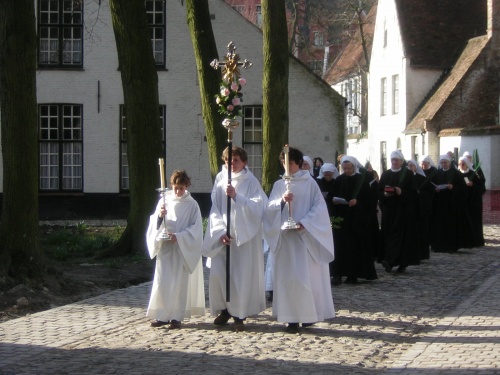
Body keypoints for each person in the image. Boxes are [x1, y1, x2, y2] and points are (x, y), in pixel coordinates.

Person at [264, 146, 335, 333]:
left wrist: (305, 223)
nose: (286, 167)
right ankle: (291, 318)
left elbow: (319, 208)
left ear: (298, 163)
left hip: (304, 238)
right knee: (288, 279)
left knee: (304, 278)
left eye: (290, 163)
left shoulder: (309, 183)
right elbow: (269, 207)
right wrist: (281, 201)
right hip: (286, 239)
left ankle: (308, 315)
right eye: (283, 163)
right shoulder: (279, 185)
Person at [202, 146, 267, 331]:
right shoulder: (220, 179)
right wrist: (220, 232)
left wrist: (237, 197)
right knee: (219, 274)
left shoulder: (251, 182)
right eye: (228, 160)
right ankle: (224, 309)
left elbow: (259, 206)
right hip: (223, 236)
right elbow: (215, 208)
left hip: (242, 239)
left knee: (239, 276)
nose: (231, 164)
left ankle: (239, 314)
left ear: (244, 162)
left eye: (236, 160)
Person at [146, 170, 205, 329]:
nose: (178, 191)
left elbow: (196, 229)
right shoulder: (164, 201)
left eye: (181, 188)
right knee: (163, 281)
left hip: (181, 250)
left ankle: (176, 317)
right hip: (166, 249)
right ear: (171, 186)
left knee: (180, 283)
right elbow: (155, 223)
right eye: (176, 188)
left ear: (187, 186)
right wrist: (160, 216)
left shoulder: (192, 204)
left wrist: (179, 236)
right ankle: (162, 315)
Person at [329, 155, 377, 285]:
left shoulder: (361, 180)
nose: (346, 170)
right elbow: (331, 196)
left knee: (354, 248)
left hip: (357, 219)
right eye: (344, 168)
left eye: (348, 168)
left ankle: (352, 274)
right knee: (339, 247)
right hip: (341, 218)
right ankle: (337, 274)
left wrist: (358, 201)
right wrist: (334, 201)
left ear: (354, 167)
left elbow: (370, 200)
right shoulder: (338, 180)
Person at [378, 150, 419, 273]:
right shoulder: (385, 175)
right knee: (388, 235)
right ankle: (389, 260)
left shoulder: (407, 174)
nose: (394, 162)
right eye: (393, 160)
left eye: (397, 160)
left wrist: (402, 193)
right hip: (388, 211)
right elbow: (379, 192)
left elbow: (413, 194)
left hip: (403, 211)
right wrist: (384, 194)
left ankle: (400, 262)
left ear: (401, 161)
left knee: (401, 236)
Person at [432, 154, 469, 252]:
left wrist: (453, 188)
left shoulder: (456, 174)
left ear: (449, 163)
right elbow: (432, 185)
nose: (444, 164)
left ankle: (451, 246)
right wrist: (435, 189)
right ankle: (439, 246)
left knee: (451, 226)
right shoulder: (437, 173)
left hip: (452, 203)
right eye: (442, 163)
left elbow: (463, 189)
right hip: (440, 203)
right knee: (440, 225)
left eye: (445, 162)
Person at [458, 155, 485, 247]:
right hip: (461, 202)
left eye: (463, 164)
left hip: (472, 203)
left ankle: (474, 241)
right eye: (460, 164)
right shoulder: (457, 174)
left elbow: (481, 188)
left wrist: (473, 185)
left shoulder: (473, 174)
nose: (461, 165)